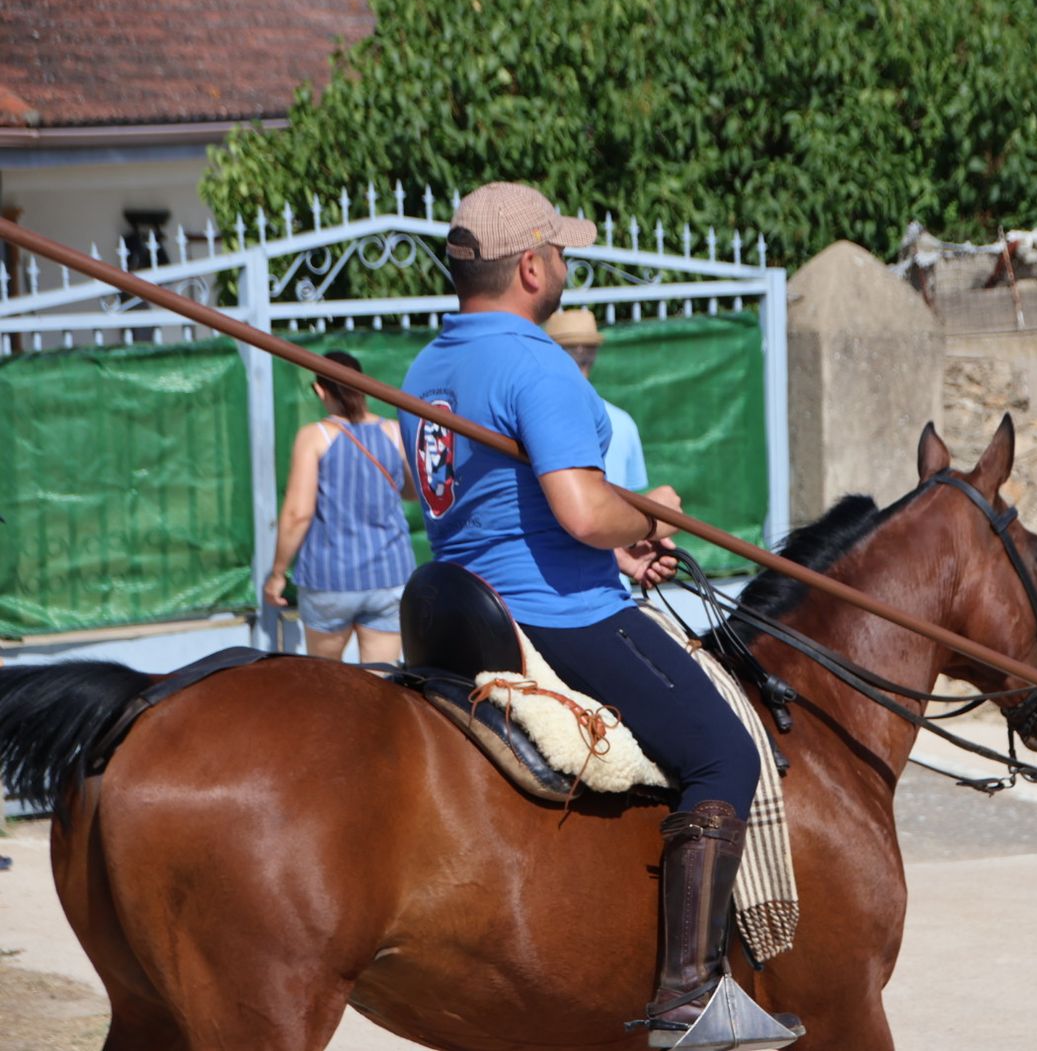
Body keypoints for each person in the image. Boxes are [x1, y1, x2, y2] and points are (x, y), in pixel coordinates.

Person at [398, 181, 799, 1048]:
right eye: (564, 252)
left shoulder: (428, 366)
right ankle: (690, 995)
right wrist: (647, 514)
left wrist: (608, 543)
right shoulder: (535, 360)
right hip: (558, 614)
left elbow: (478, 503)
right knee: (726, 750)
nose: (569, 265)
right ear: (534, 266)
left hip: (464, 605)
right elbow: (580, 510)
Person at [264, 351, 417, 664]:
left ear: (321, 391)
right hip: (389, 576)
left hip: (329, 579)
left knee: (326, 685)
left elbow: (298, 513)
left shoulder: (315, 437)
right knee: (380, 684)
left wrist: (278, 573)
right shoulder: (394, 432)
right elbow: (412, 492)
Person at [545, 307, 648, 492]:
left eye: (588, 346)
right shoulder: (623, 422)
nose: (580, 350)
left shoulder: (623, 423)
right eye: (570, 346)